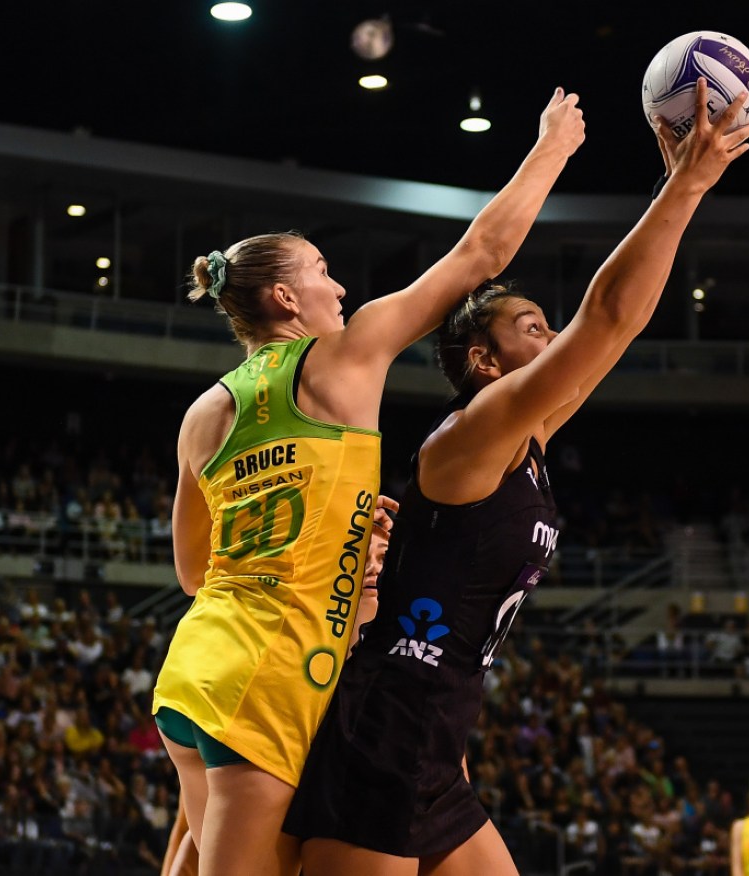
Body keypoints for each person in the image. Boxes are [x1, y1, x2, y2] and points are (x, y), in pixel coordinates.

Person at [285, 78, 749, 875]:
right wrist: (687, 183)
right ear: (483, 362)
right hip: (389, 725)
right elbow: (602, 319)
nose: (552, 339)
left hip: (438, 732)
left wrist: (682, 190)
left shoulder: (526, 435)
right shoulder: (472, 435)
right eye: (532, 329)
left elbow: (617, 329)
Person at [151, 88, 587, 876]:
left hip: (195, 668)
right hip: (273, 670)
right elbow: (479, 258)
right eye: (321, 273)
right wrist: (551, 147)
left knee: (193, 854)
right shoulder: (342, 359)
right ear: (285, 298)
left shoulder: (202, 413)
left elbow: (193, 571)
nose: (339, 288)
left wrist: (341, 533)